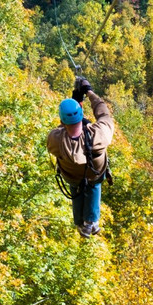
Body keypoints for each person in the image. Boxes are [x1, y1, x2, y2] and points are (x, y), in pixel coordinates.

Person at [47, 76, 113, 237]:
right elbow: (104, 114)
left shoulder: (55, 140)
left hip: (71, 175)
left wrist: (74, 103)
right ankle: (92, 221)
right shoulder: (98, 135)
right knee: (93, 183)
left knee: (76, 186)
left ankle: (80, 222)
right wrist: (90, 92)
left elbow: (61, 128)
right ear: (81, 115)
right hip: (94, 172)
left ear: (62, 121)